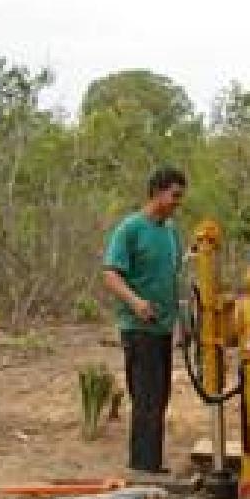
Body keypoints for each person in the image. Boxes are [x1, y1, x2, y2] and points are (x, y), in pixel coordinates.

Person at [103, 166, 186, 474]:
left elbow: (172, 278)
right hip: (139, 327)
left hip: (163, 327)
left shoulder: (171, 232)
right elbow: (110, 274)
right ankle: (142, 467)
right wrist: (136, 302)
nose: (178, 202)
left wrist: (180, 322)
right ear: (157, 192)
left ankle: (152, 463)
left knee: (160, 397)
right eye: (174, 195)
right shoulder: (130, 229)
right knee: (146, 398)